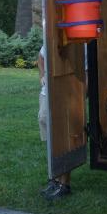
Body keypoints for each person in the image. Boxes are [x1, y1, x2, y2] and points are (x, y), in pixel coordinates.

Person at [38, 45, 71, 200]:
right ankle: (54, 179)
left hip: (65, 95)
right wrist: (42, 75)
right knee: (48, 132)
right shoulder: (50, 38)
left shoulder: (78, 45)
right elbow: (41, 57)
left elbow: (85, 71)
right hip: (47, 93)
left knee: (62, 137)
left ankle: (64, 184)